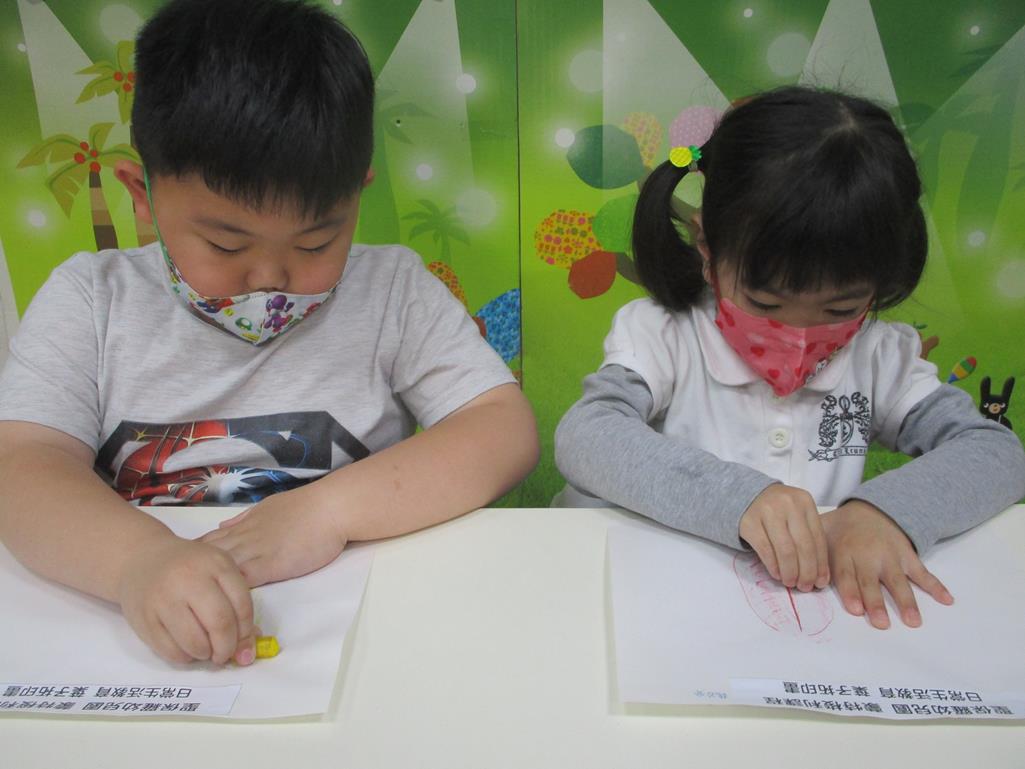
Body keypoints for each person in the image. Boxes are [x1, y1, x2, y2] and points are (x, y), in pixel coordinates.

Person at [0, 0, 538, 667]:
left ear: (358, 194)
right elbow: (23, 466)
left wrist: (326, 512)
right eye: (226, 244)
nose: (270, 277)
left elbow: (501, 427)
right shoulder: (91, 300)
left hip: (358, 633)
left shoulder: (393, 289)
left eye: (316, 241)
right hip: (144, 634)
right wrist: (136, 560)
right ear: (143, 195)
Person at [554, 86, 1024, 630]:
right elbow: (586, 435)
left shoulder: (881, 355)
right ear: (707, 246)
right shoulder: (663, 332)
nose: (798, 333)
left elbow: (995, 452)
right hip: (646, 604)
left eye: (840, 308)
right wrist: (738, 498)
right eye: (765, 303)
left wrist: (882, 512)